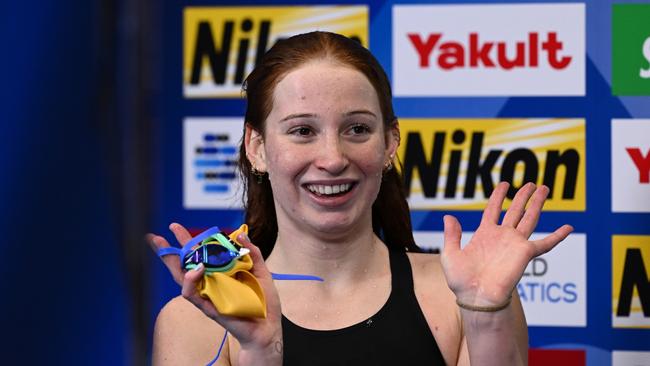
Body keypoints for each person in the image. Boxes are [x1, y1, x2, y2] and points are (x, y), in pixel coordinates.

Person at [148, 31, 573, 365]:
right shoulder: (195, 320)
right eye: (302, 131)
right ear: (256, 147)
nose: (333, 159)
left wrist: (485, 316)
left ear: (390, 143)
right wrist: (262, 355)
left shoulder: (461, 297)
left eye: (357, 129)